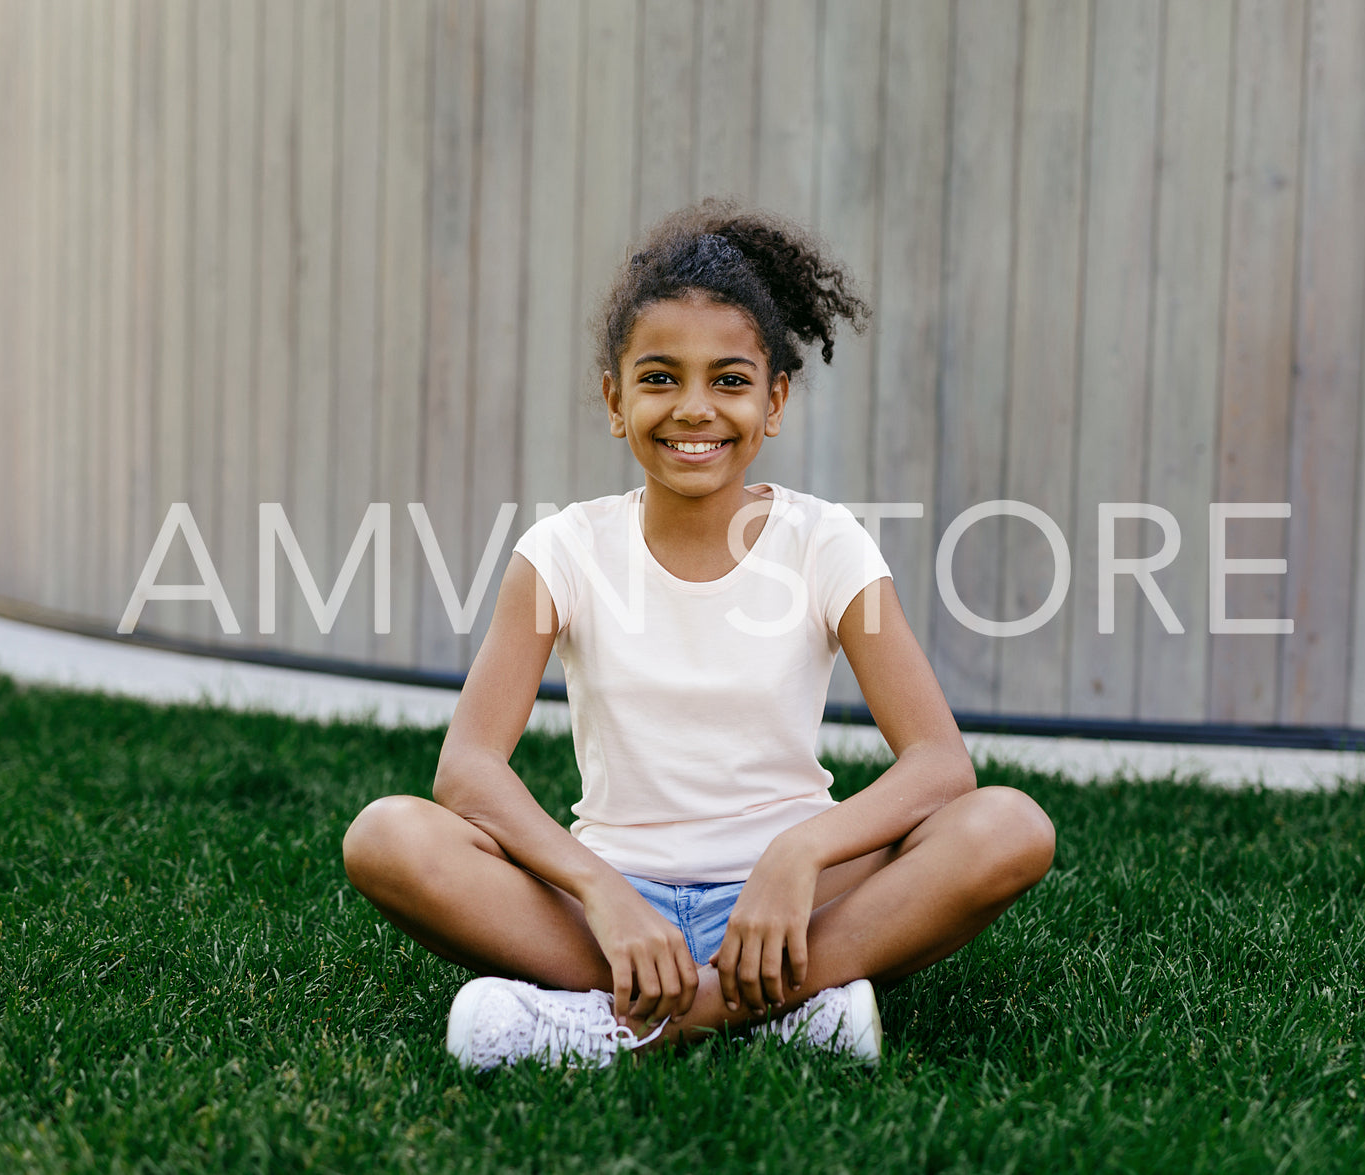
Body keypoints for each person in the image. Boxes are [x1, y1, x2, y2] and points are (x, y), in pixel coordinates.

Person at [342, 201, 1055, 1070]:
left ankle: (612, 1023)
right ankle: (787, 1013)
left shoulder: (825, 543)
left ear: (773, 399)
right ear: (614, 399)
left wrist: (799, 853)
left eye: (727, 379)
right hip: (614, 903)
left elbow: (940, 765)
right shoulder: (562, 551)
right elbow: (468, 770)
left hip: (793, 898)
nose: (693, 409)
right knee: (387, 835)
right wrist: (601, 891)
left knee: (1008, 826)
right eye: (657, 378)